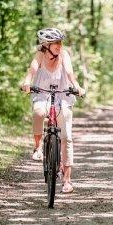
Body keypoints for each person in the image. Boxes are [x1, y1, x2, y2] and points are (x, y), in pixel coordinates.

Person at [21, 28, 85, 193]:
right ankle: (38, 147)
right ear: (46, 44)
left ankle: (67, 180)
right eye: (55, 43)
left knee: (66, 137)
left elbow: (70, 73)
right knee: (39, 113)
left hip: (63, 95)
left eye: (60, 42)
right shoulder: (40, 55)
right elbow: (32, 70)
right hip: (42, 94)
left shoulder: (64, 55)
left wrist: (77, 87)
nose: (58, 45)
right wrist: (27, 82)